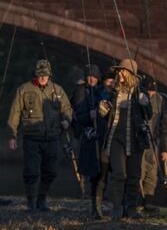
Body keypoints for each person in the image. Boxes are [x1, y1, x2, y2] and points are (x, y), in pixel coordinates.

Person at [7, 59, 73, 211]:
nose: (43, 77)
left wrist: (67, 120)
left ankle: (41, 200)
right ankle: (31, 202)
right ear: (35, 75)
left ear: (50, 75)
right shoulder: (24, 89)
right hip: (31, 138)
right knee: (31, 171)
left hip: (52, 137)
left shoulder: (58, 90)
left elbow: (67, 109)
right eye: (40, 75)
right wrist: (13, 135)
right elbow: (15, 112)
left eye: (45, 75)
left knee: (51, 171)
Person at [97, 59, 152, 220]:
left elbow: (149, 114)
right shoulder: (112, 91)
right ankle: (117, 207)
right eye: (118, 71)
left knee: (134, 174)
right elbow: (102, 114)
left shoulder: (139, 92)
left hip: (135, 138)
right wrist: (102, 109)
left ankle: (131, 208)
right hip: (115, 137)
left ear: (130, 74)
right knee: (119, 173)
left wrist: (145, 103)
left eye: (123, 71)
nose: (119, 73)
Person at [74, 64, 113, 218]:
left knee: (104, 172)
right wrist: (90, 116)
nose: (92, 79)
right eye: (90, 76)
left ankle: (101, 203)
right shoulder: (84, 93)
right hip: (92, 140)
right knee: (94, 173)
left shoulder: (106, 94)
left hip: (106, 138)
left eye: (95, 77)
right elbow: (78, 116)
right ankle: (95, 207)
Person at [139, 77, 167, 215]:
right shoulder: (138, 98)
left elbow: (165, 126)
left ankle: (149, 201)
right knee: (140, 171)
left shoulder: (162, 101)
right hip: (140, 140)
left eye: (153, 90)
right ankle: (138, 199)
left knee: (152, 173)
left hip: (155, 142)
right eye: (149, 90)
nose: (151, 93)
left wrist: (165, 148)